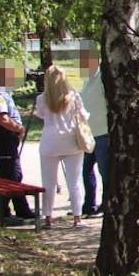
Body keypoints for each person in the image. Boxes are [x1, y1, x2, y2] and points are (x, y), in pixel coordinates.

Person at [78, 54, 139, 217]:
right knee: (91, 170)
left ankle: (105, 204)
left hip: (102, 131)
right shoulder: (94, 77)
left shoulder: (104, 76)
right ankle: (90, 204)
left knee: (103, 170)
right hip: (92, 132)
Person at [30, 64, 91, 229]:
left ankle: (48, 218)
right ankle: (77, 218)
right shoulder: (74, 96)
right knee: (75, 181)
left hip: (49, 142)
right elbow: (84, 116)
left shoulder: (42, 99)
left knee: (48, 183)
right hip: (71, 142)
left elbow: (41, 115)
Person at [0, 64, 35, 221]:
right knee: (9, 175)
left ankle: (21, 209)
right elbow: (3, 119)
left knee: (13, 175)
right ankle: (2, 212)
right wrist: (19, 128)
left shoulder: (3, 91)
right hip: (3, 136)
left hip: (7, 137)